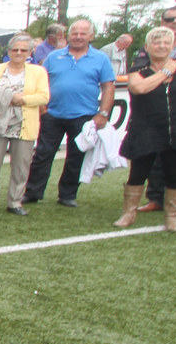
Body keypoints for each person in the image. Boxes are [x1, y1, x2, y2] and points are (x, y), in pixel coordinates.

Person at [115, 25, 176, 232]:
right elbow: (139, 88)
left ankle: (172, 218)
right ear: (147, 47)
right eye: (157, 42)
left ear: (172, 46)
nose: (162, 46)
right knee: (138, 173)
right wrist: (166, 71)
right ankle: (128, 214)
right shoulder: (138, 70)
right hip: (145, 129)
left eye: (167, 42)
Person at [22, 19, 116, 208]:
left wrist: (103, 113)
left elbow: (108, 87)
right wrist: (43, 109)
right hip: (53, 114)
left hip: (84, 115)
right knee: (42, 154)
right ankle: (32, 193)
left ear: (91, 36)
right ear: (68, 36)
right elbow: (41, 82)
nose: (78, 37)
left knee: (76, 157)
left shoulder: (101, 58)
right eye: (75, 33)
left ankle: (67, 194)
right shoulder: (54, 57)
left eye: (83, 33)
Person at [0, 34, 50, 217]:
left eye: (23, 50)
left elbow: (43, 96)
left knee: (21, 166)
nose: (18, 53)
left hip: (24, 124)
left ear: (30, 52)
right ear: (8, 51)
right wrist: (10, 97)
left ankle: (15, 201)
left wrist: (22, 100)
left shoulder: (38, 72)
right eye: (15, 49)